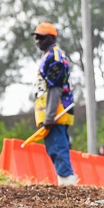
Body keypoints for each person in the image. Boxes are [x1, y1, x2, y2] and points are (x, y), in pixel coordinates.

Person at [32, 22, 77, 185]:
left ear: (51, 37)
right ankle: (64, 180)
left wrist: (50, 116)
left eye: (41, 37)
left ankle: (67, 182)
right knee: (55, 146)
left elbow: (55, 88)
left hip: (57, 111)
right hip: (54, 111)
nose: (37, 40)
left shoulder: (54, 57)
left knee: (57, 147)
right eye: (36, 37)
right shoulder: (49, 55)